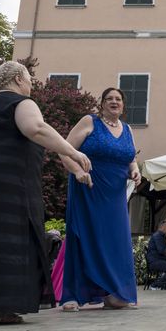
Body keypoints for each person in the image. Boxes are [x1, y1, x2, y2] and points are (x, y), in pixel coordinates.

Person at [0, 61, 91, 324]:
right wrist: (72, 151)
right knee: (5, 241)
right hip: (5, 187)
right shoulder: (20, 103)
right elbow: (35, 129)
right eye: (28, 79)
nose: (30, 85)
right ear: (18, 79)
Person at [60, 87, 141, 311]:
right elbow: (63, 150)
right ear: (102, 103)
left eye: (118, 99)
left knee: (115, 240)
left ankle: (113, 293)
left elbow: (130, 157)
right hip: (89, 187)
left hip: (115, 194)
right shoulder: (89, 122)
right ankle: (72, 295)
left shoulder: (127, 129)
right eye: (109, 99)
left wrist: (135, 170)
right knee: (84, 236)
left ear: (123, 105)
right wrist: (77, 171)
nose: (114, 102)